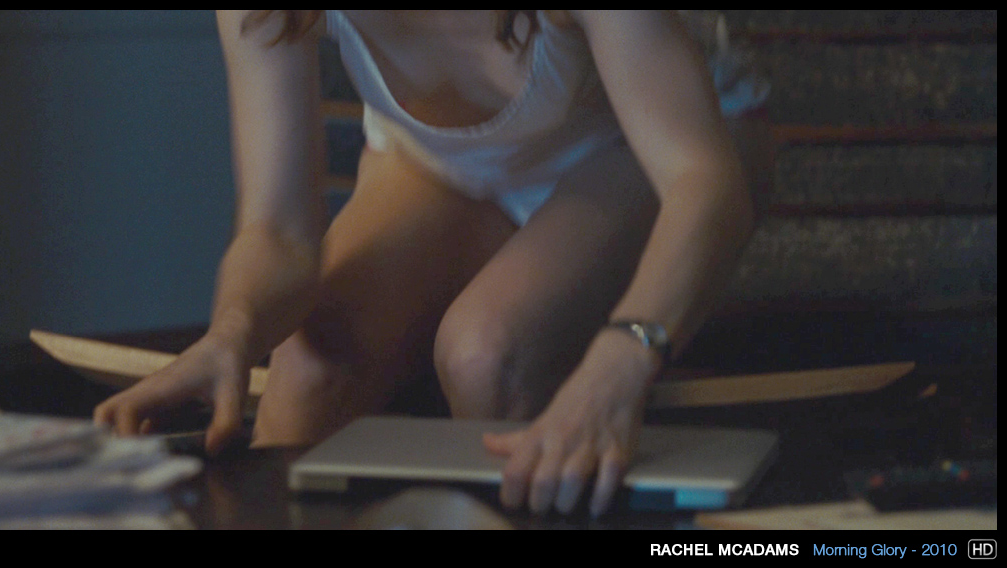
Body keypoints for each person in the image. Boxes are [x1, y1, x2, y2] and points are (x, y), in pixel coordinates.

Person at [95, 10, 772, 517]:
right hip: (443, 161)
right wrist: (232, 332)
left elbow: (705, 185)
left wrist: (623, 359)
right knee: (308, 368)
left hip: (650, 149)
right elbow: (277, 231)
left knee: (487, 351)